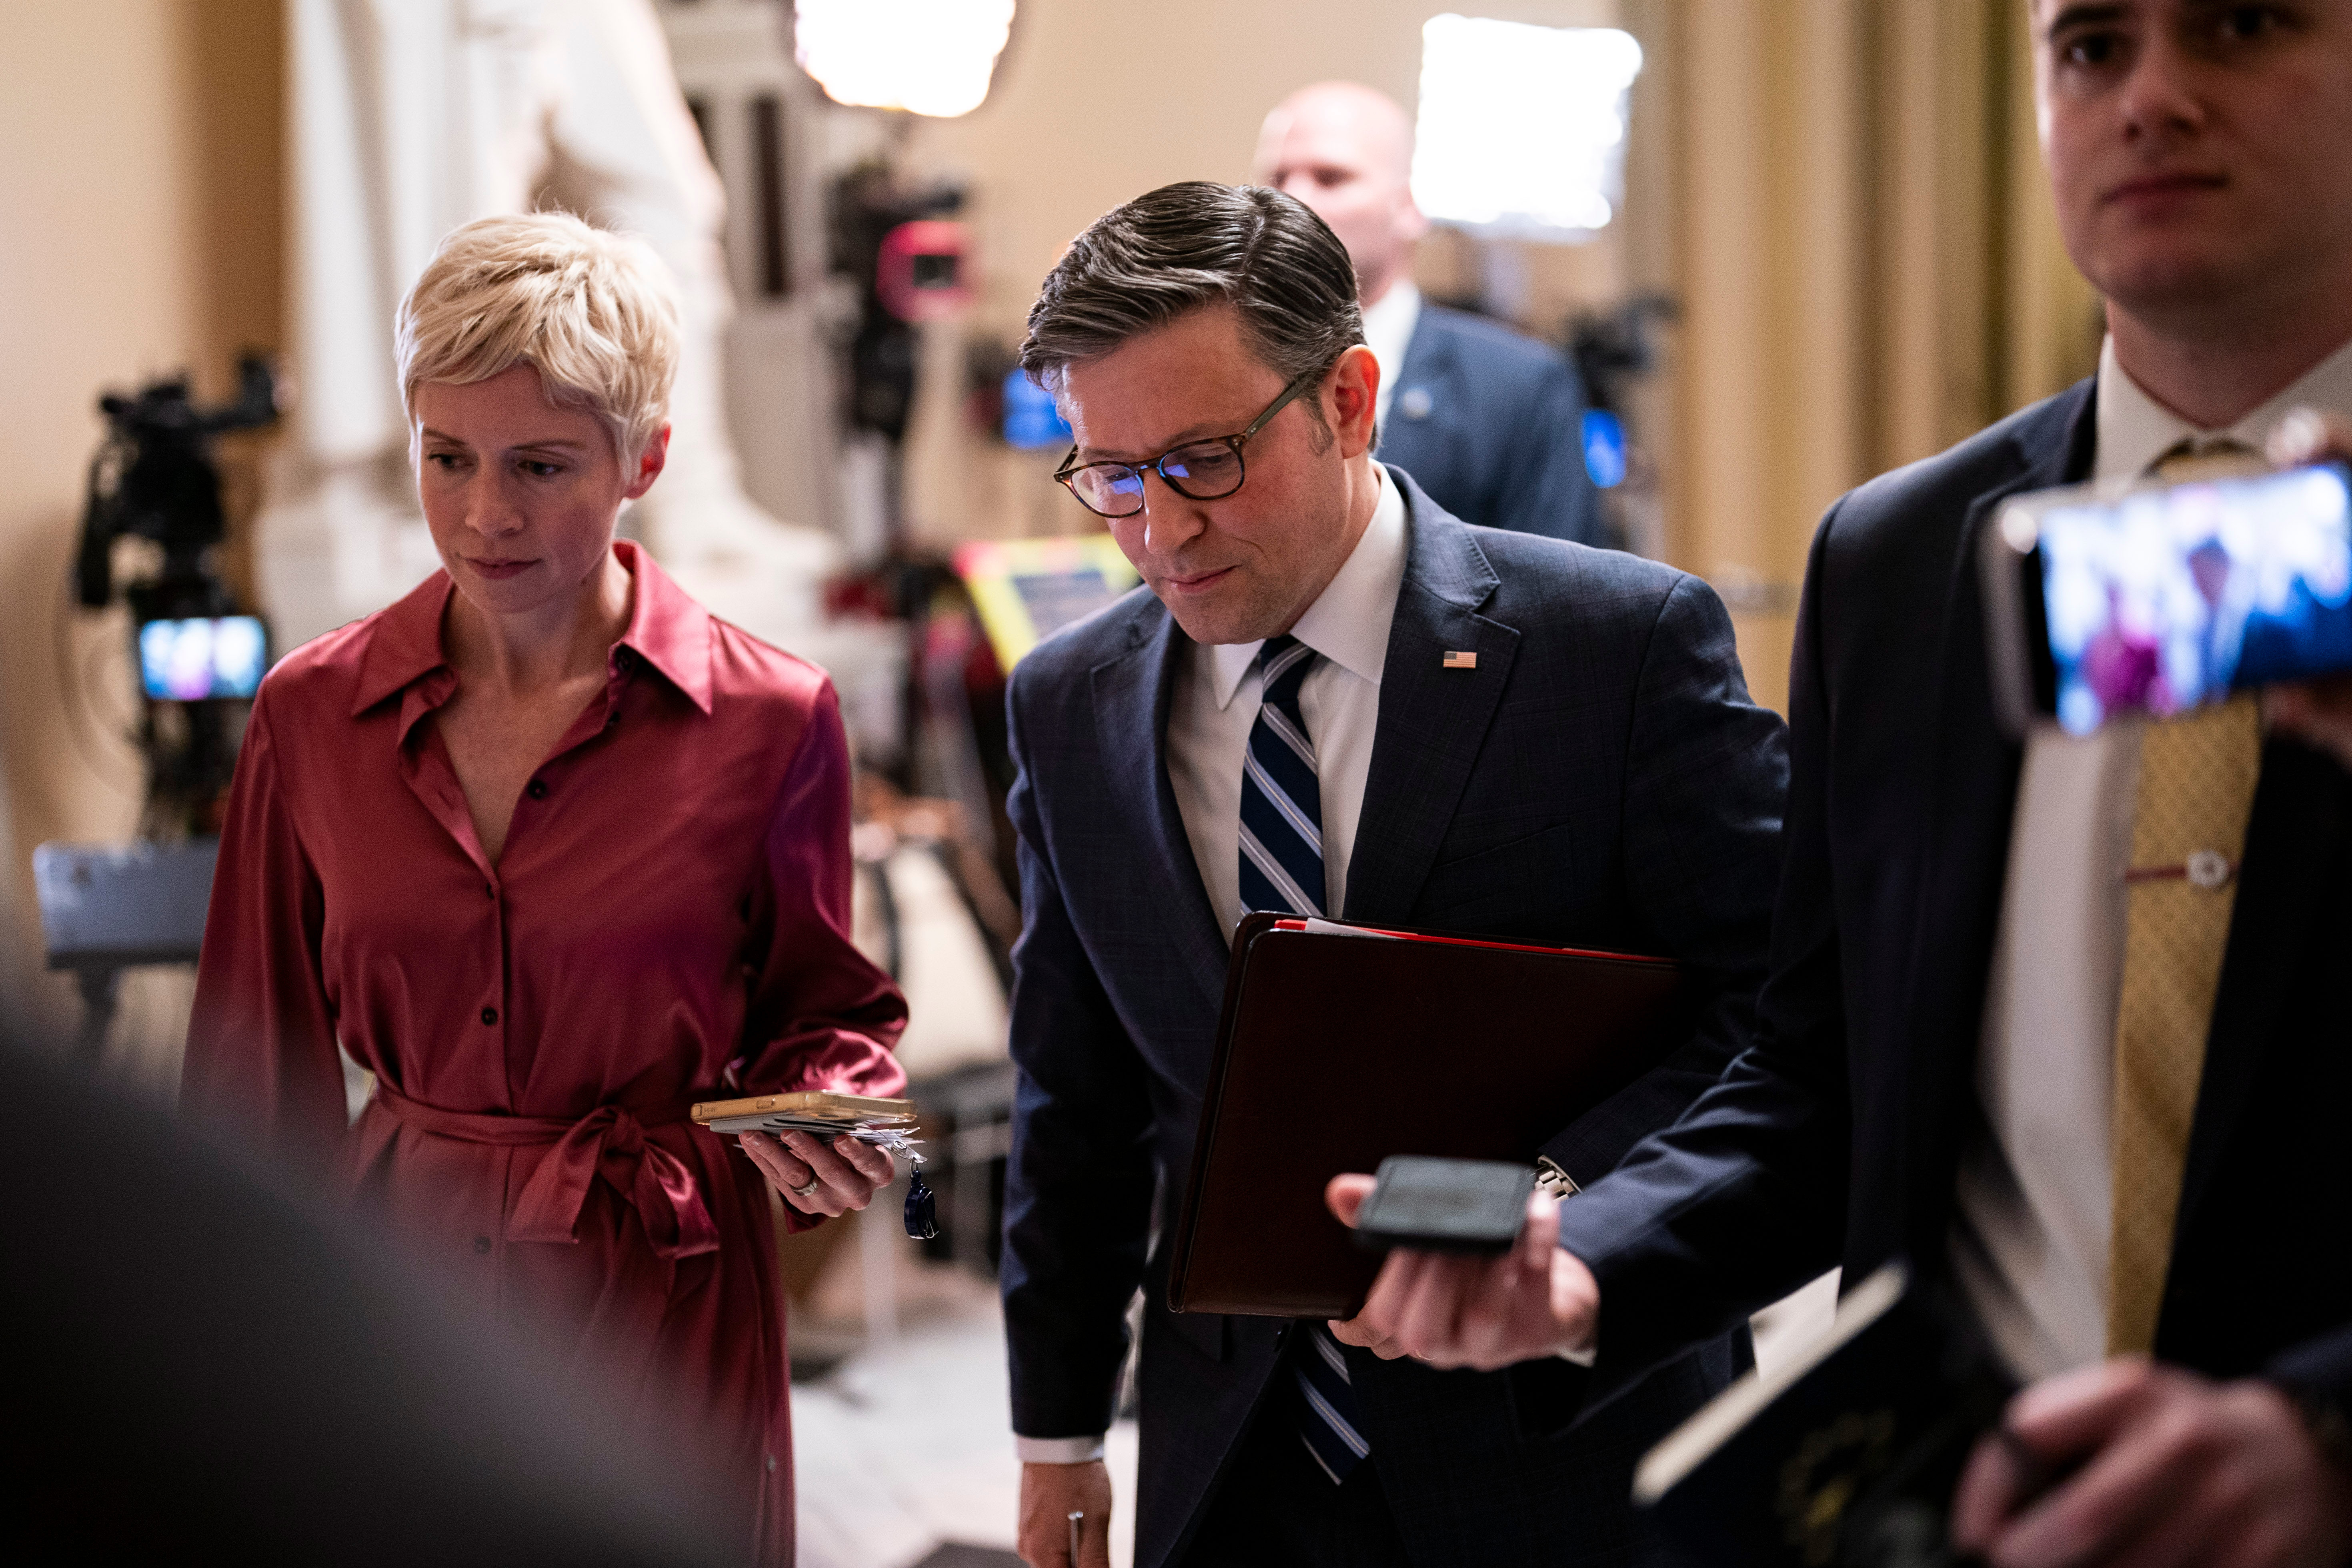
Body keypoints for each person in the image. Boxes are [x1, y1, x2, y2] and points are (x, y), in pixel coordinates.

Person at [1329, 5, 2352, 1565]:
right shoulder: (1897, 560)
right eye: (2087, 44)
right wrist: (1584, 1257)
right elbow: (1818, 1072)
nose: (2147, 96)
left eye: (2233, 25)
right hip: (1952, 1503)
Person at [999, 180, 1787, 1568]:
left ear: (1347, 401)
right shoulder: (1068, 702)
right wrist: (1056, 1430)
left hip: (1571, 1448)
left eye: (1201, 460)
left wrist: (1544, 1211)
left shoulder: (1614, 644)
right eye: (1108, 474)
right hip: (1233, 1457)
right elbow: (1074, 1099)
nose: (1155, 532)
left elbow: (1766, 1012)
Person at [182, 211, 909, 1567]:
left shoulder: (770, 717)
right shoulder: (310, 714)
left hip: (667, 1281)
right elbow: (248, 1062)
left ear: (646, 459)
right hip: (397, 1285)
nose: (483, 512)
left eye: (540, 463)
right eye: (445, 456)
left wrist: (834, 1109)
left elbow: (829, 1014)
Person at [1253, 81, 1611, 547]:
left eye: (1330, 177)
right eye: (1278, 179)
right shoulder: (1221, 370)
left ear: (1408, 205)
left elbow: (1561, 590)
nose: (1294, 200)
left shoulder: (1518, 384)